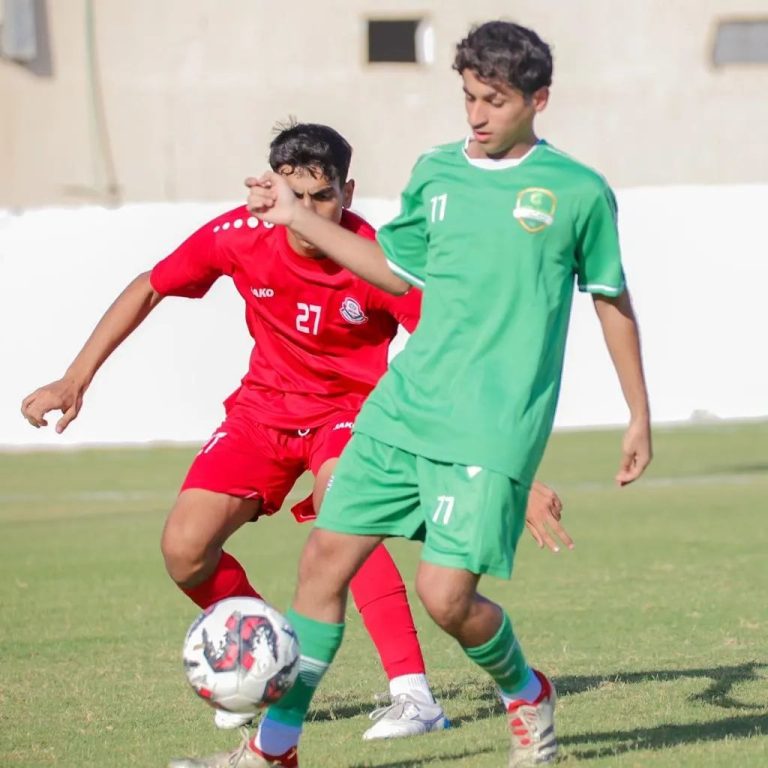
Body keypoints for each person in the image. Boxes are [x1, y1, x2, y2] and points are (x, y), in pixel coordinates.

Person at [20, 121, 570, 765]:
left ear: (348, 192)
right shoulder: (239, 234)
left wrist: (506, 465)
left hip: (352, 414)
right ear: (274, 189)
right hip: (263, 411)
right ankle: (263, 659)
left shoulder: (375, 258)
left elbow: (453, 355)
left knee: (343, 511)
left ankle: (413, 696)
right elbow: (150, 284)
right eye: (296, 196)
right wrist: (75, 378)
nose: (308, 212)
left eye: (324, 197)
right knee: (184, 549)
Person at [240, 22, 653, 768]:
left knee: (445, 598)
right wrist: (296, 216)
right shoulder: (435, 172)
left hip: (492, 426)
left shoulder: (578, 192)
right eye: (468, 97)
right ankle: (275, 749)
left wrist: (638, 414)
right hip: (405, 406)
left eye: (495, 100)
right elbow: (393, 271)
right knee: (323, 559)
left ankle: (526, 692)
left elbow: (610, 297)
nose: (477, 115)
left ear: (538, 99)